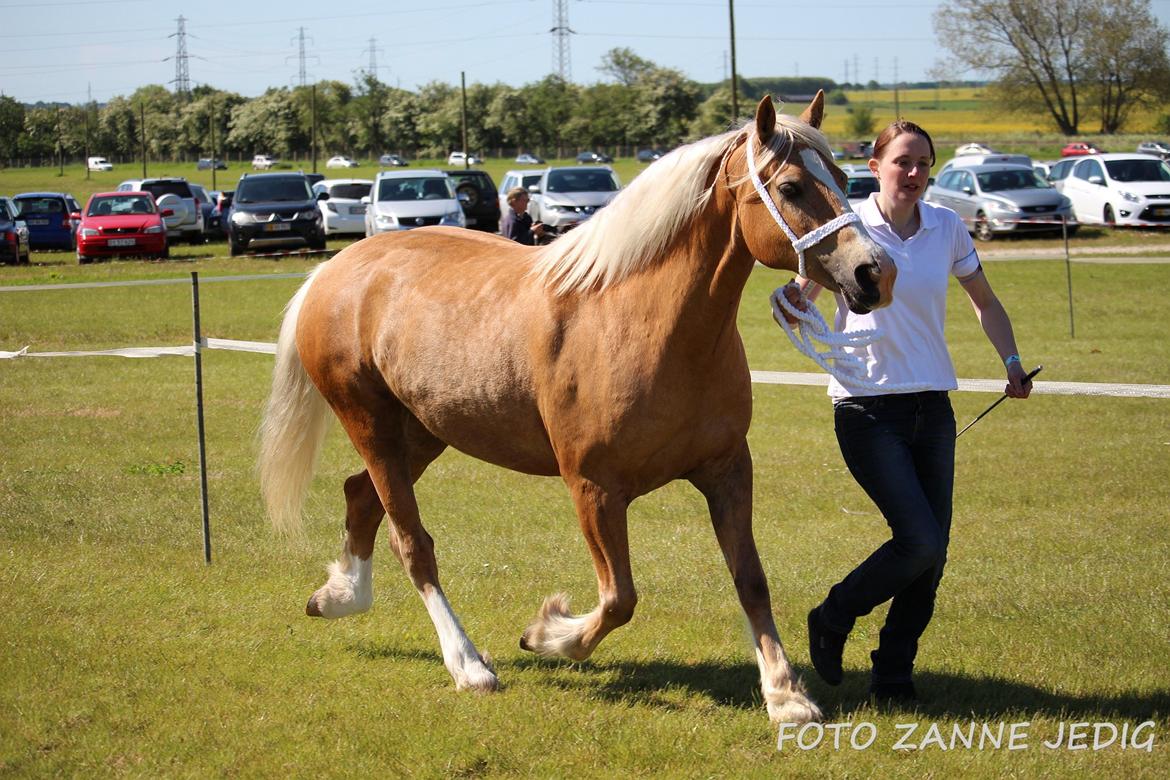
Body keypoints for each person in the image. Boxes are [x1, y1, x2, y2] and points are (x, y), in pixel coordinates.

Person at [784, 120, 1033, 703]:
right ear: (876, 166)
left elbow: (985, 302)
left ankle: (893, 676)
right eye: (903, 161)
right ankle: (834, 614)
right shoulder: (848, 227)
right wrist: (791, 302)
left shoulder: (947, 226)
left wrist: (1013, 361)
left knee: (931, 557)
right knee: (918, 540)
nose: (915, 173)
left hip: (932, 406)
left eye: (924, 163)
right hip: (867, 407)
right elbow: (805, 294)